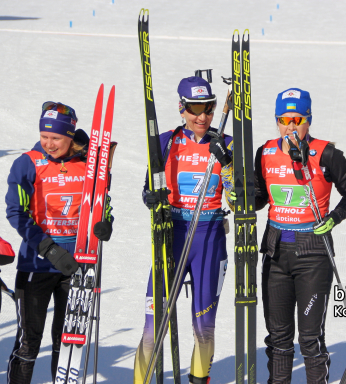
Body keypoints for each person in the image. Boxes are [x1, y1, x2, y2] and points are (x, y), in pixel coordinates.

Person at [254, 88, 346, 383]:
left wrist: (333, 219)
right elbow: (258, 199)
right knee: (278, 339)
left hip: (313, 253)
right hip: (276, 251)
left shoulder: (326, 153)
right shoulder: (265, 152)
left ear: (308, 120)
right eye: (283, 120)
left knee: (310, 339)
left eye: (296, 119)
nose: (290, 126)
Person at [134, 76, 234, 384]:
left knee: (204, 325)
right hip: (172, 236)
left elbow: (238, 199)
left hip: (210, 237)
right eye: (194, 109)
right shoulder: (165, 141)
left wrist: (228, 164)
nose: (202, 117)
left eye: (208, 108)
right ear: (182, 108)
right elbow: (148, 188)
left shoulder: (227, 143)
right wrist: (151, 197)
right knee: (153, 324)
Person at [5, 102, 112, 383]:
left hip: (77, 265)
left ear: (70, 136)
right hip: (36, 265)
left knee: (66, 343)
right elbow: (16, 212)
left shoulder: (89, 163)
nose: (49, 144)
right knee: (29, 341)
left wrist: (104, 224)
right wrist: (49, 249)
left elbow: (101, 203)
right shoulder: (27, 163)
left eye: (56, 138)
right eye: (44, 137)